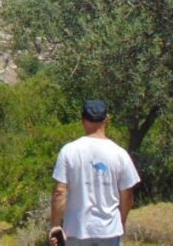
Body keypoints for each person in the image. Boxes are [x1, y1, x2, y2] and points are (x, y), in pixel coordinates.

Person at [49, 100, 140, 246]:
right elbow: (127, 195)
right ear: (106, 120)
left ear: (83, 121)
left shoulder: (68, 151)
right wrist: (121, 221)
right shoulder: (120, 154)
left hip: (77, 231)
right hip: (109, 232)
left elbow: (60, 192)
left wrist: (55, 225)